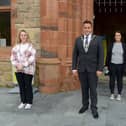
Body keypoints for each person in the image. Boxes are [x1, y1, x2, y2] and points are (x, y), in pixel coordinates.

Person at [72, 20, 104, 119]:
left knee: (93, 90)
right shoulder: (78, 40)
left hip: (93, 70)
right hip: (82, 69)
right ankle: (85, 105)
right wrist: (74, 68)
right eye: (85, 27)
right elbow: (75, 55)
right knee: (84, 89)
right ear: (83, 28)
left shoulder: (97, 40)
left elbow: (101, 55)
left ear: (91, 28)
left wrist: (100, 69)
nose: (86, 29)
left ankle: (94, 108)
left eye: (88, 27)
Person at [10, 30, 36, 109]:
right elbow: (12, 57)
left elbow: (32, 58)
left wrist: (24, 65)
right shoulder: (16, 47)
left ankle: (29, 102)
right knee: (21, 86)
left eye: (25, 35)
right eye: (22, 35)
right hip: (18, 69)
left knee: (28, 86)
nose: (23, 37)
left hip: (28, 69)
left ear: (27, 36)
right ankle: (23, 101)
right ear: (19, 37)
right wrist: (17, 65)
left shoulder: (30, 46)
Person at [105, 31, 126, 101]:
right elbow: (108, 55)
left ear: (121, 36)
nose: (117, 37)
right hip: (112, 65)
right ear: (114, 37)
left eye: (118, 35)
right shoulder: (111, 45)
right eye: (116, 35)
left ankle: (119, 94)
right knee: (112, 80)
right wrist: (106, 65)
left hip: (121, 65)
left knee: (120, 80)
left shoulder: (124, 45)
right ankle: (112, 94)